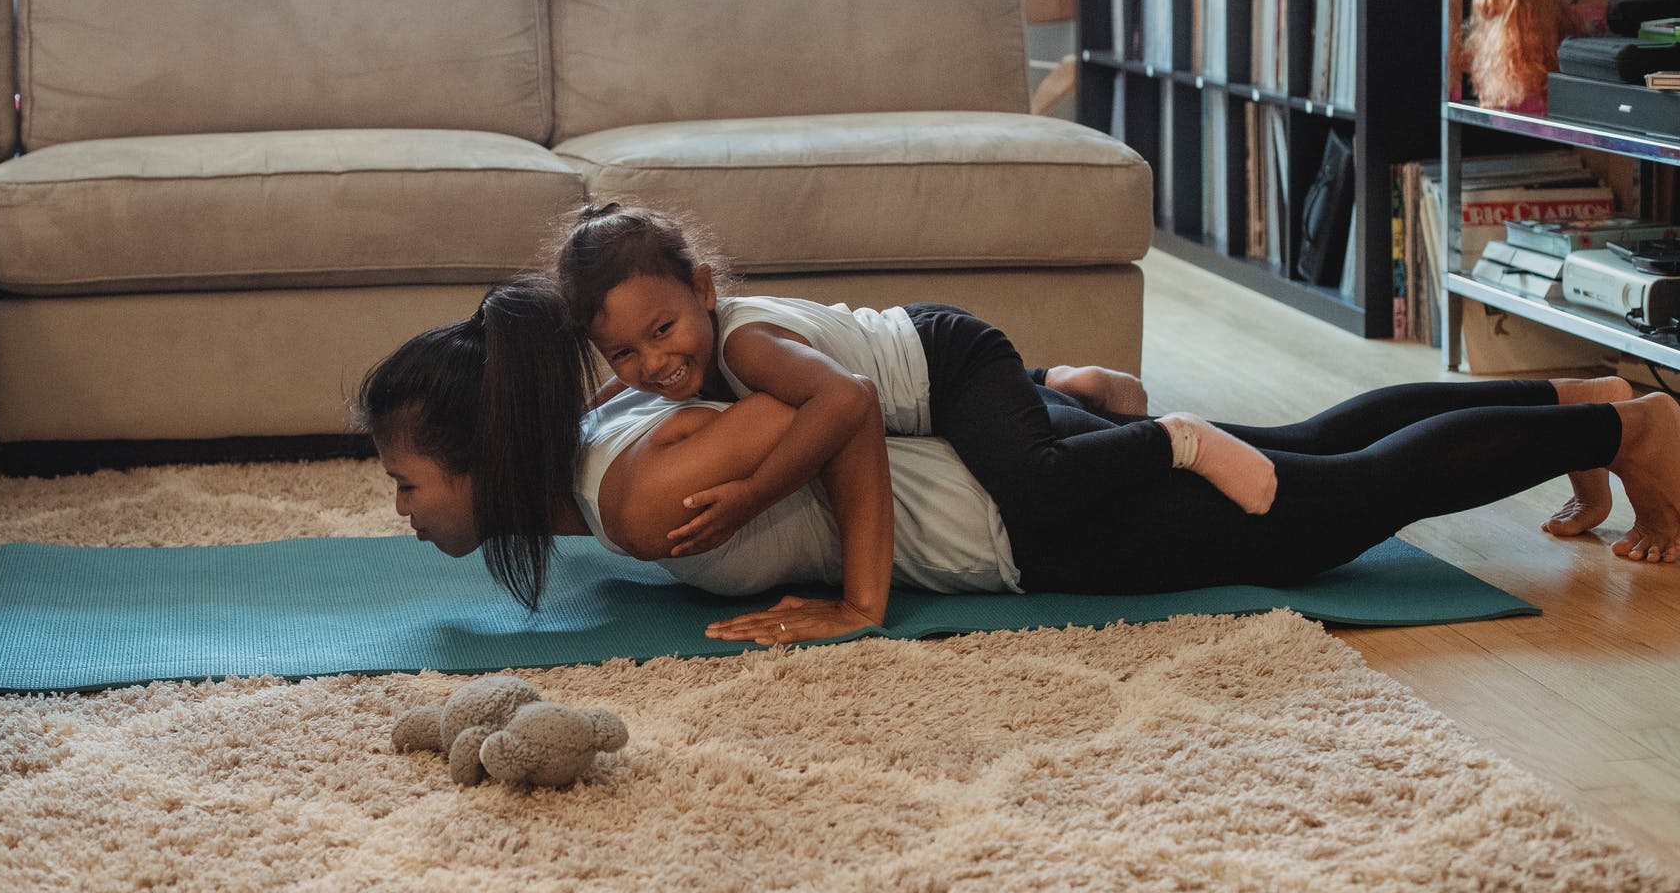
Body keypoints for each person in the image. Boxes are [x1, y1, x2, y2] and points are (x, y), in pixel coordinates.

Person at [357, 281, 1680, 645]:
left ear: (492, 452)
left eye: (411, 480)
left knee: (1343, 494)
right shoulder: (602, 452)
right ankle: (1579, 394)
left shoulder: (634, 495)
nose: (400, 506)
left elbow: (851, 410)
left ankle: (1624, 427)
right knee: (1322, 439)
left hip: (1031, 529)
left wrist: (858, 601)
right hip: (1028, 466)